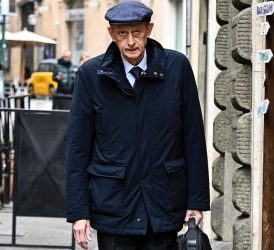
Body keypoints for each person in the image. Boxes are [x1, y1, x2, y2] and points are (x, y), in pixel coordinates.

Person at [66, 1, 210, 250]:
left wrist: (196, 201)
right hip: (113, 207)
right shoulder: (90, 75)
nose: (131, 41)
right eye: (122, 33)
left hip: (163, 205)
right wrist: (79, 212)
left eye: (137, 32)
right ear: (112, 34)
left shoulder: (177, 68)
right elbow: (78, 149)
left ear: (149, 30)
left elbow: (193, 139)